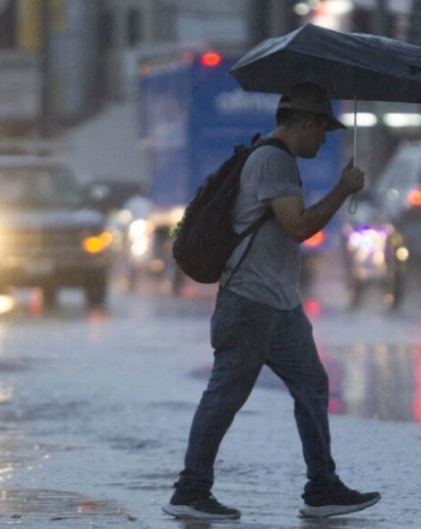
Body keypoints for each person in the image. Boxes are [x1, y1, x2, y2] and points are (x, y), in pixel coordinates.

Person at [162, 83, 380, 520]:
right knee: (225, 395)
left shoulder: (276, 160)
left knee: (312, 386)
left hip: (279, 305)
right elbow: (298, 226)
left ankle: (322, 488)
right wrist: (341, 190)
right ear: (306, 123)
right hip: (249, 303)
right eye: (322, 131)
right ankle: (190, 491)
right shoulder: (273, 161)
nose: (324, 140)